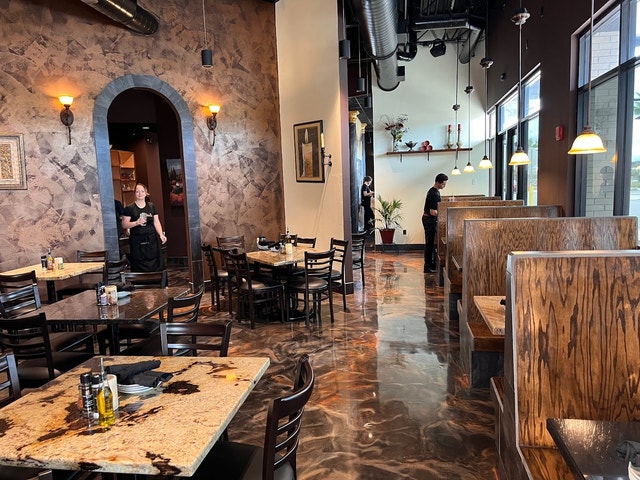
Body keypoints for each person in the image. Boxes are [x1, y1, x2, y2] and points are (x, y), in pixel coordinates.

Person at [121, 183, 167, 272]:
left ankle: (156, 279)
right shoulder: (129, 208)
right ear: (134, 194)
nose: (140, 194)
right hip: (137, 241)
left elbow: (156, 222)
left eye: (142, 191)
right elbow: (124, 225)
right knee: (138, 264)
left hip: (152, 240)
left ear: (146, 193)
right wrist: (136, 223)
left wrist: (161, 234)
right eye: (137, 191)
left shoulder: (151, 206)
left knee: (156, 263)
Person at [422, 173, 448, 273]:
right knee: (429, 244)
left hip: (428, 219)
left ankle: (430, 264)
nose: (444, 186)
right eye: (443, 184)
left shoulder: (433, 191)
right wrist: (443, 214)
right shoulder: (434, 194)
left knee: (430, 243)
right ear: (438, 182)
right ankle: (427, 266)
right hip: (429, 220)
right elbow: (433, 212)